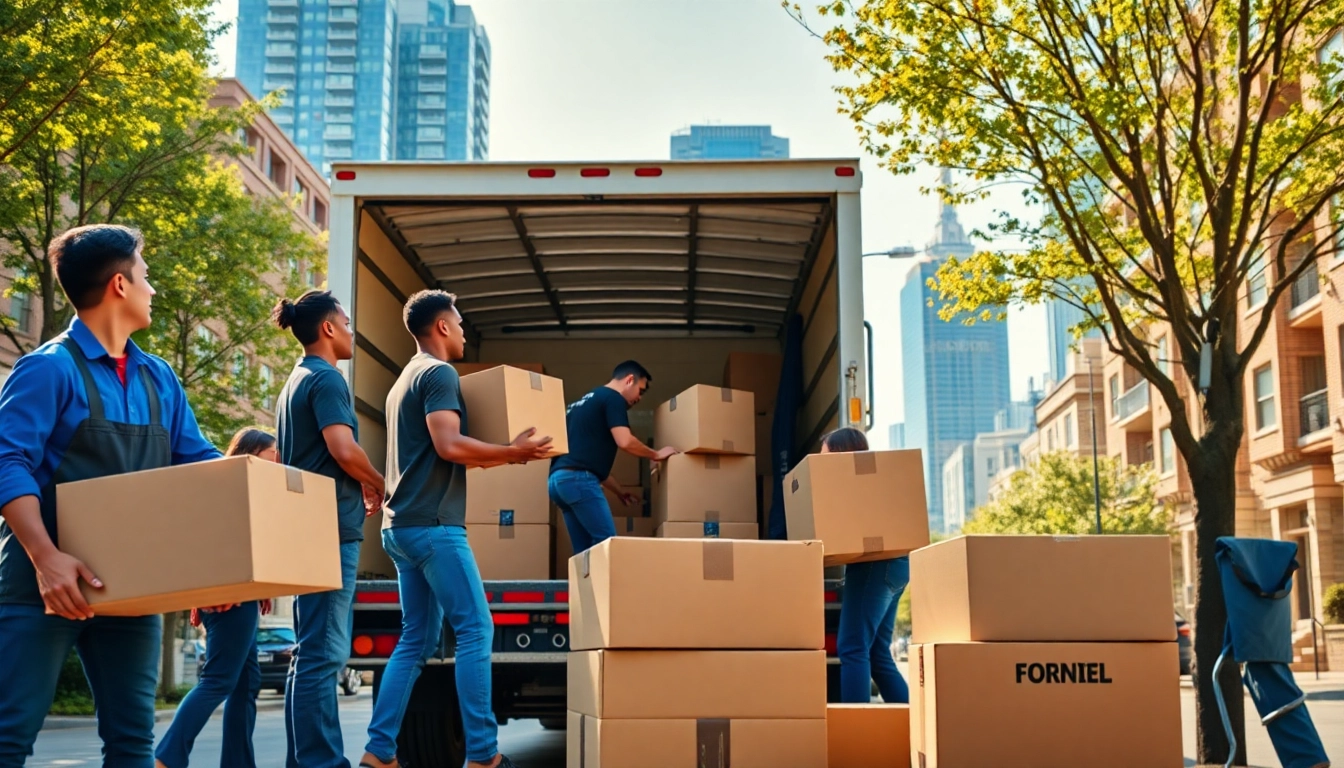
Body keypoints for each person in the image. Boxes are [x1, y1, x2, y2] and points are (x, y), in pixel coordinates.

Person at [0, 224, 223, 765]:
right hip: (43, 586)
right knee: (8, 739)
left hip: (133, 586)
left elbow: (200, 468)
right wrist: (46, 559)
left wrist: (224, 565)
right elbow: (8, 462)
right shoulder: (46, 370)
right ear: (120, 285)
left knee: (131, 745)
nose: (153, 288)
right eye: (147, 275)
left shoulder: (159, 379)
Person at [361, 290, 550, 768]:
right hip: (433, 528)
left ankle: (379, 751)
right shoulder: (439, 373)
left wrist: (493, 455)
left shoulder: (403, 380)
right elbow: (448, 445)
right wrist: (512, 452)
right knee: (475, 628)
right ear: (442, 327)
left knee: (417, 641)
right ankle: (484, 755)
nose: (465, 332)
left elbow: (435, 453)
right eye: (461, 323)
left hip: (399, 527)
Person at [273, 290, 386, 768]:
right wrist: (379, 482)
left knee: (309, 653)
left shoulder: (294, 381)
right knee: (324, 653)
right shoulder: (326, 380)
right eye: (347, 322)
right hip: (328, 530)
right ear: (327, 329)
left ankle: (304, 761)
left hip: (307, 526)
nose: (352, 331)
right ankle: (321, 762)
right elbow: (342, 447)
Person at [156, 428, 279, 768]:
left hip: (241, 596)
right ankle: (167, 757)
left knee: (246, 681)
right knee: (220, 680)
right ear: (251, 455)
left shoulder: (242, 492)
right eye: (273, 457)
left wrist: (262, 587)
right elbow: (212, 546)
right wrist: (209, 592)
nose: (278, 463)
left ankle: (237, 763)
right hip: (230, 598)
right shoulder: (229, 491)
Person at [548, 360, 677, 554]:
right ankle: (612, 585)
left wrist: (619, 492)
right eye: (640, 391)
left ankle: (584, 585)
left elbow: (583, 460)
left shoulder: (581, 404)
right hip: (577, 481)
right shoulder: (613, 398)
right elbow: (624, 441)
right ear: (629, 380)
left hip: (558, 482)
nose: (639, 398)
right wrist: (656, 454)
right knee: (607, 545)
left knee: (584, 553)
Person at [823, 426, 910, 704]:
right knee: (877, 653)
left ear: (840, 455)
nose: (820, 465)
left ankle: (855, 733)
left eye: (824, 457)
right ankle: (913, 724)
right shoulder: (878, 481)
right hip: (898, 565)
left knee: (852, 648)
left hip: (874, 566)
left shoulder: (852, 485)